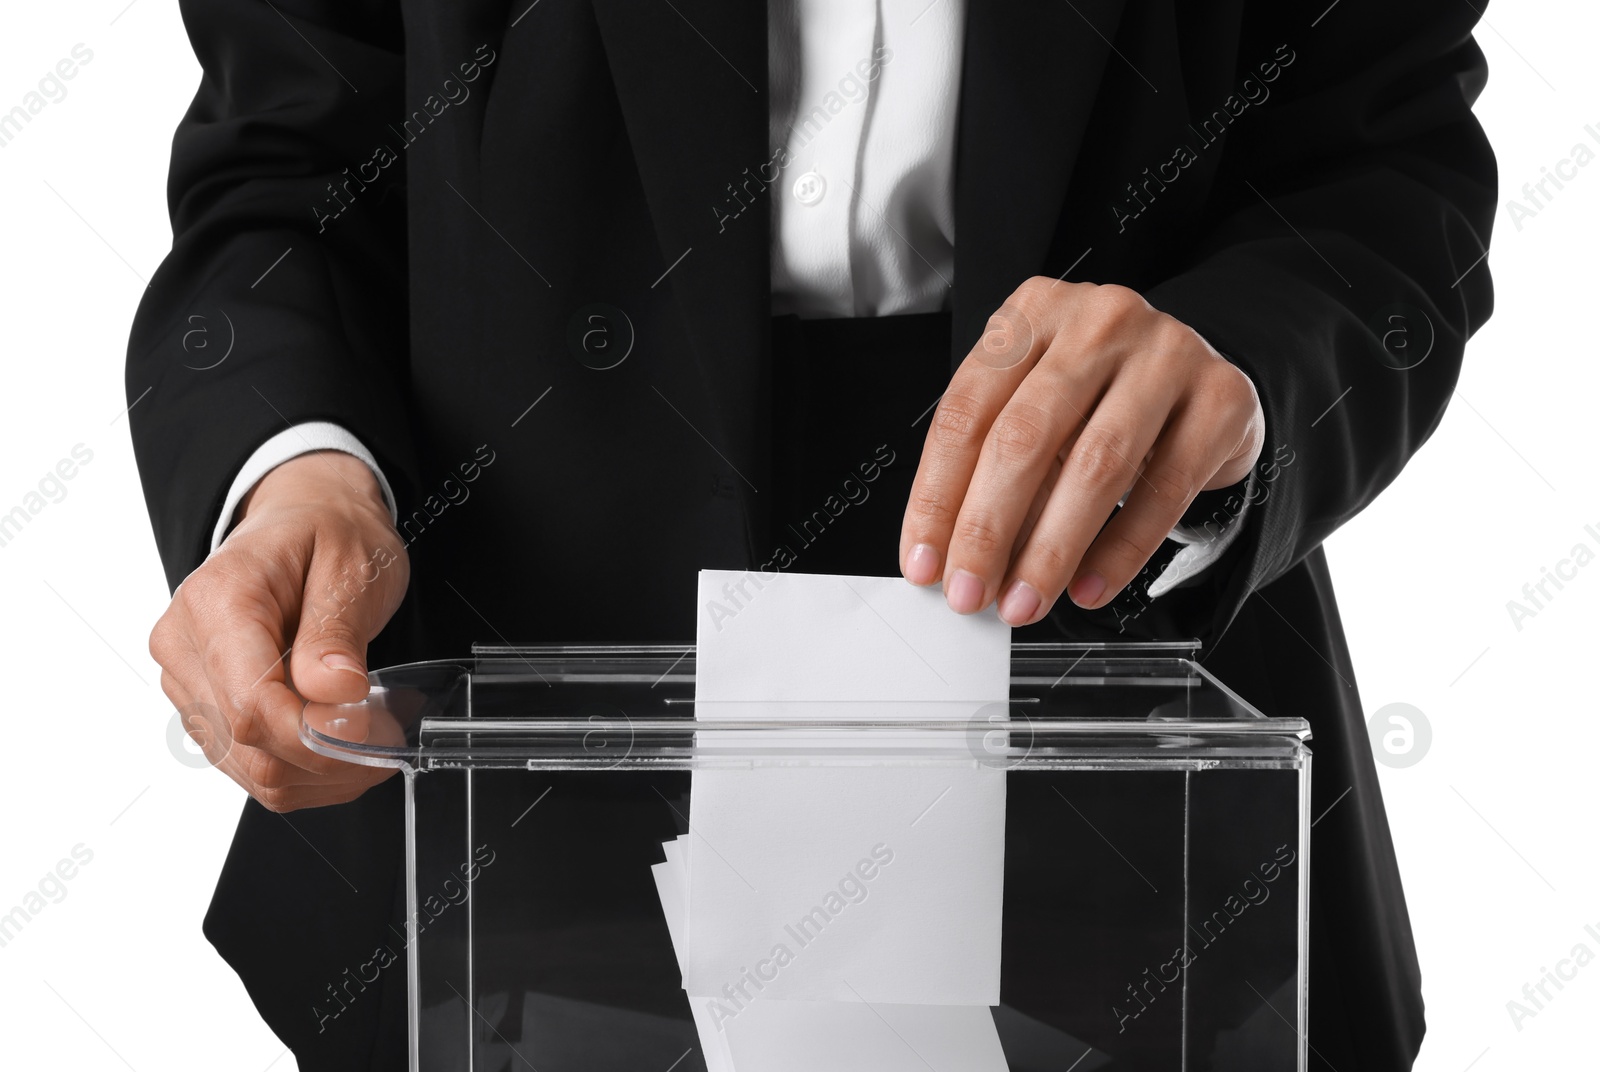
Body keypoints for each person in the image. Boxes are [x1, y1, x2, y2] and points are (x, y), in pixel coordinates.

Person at [128, 1, 1496, 1069]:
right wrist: (294, 469)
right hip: (509, 773)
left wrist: (1243, 363)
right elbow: (290, 163)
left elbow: (1381, 159)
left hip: (1137, 724)